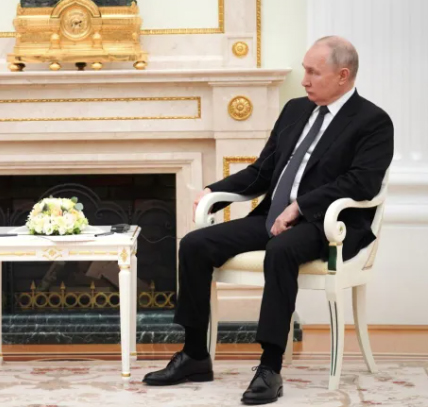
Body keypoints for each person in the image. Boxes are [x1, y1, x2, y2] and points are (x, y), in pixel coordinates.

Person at [142, 36, 393, 405]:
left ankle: (269, 368)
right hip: (273, 216)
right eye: (305, 70)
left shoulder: (373, 122)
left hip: (327, 225)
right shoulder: (295, 109)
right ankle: (194, 355)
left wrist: (300, 207)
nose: (304, 80)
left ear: (343, 76)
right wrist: (214, 190)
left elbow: (361, 183)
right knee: (195, 244)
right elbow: (263, 171)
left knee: (281, 249)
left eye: (313, 72)